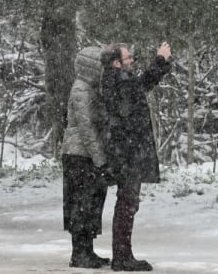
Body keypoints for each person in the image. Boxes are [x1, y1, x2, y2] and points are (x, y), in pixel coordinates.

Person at [99, 41, 173, 272]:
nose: (132, 60)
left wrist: (161, 64)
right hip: (126, 152)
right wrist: (160, 60)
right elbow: (142, 84)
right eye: (128, 57)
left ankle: (124, 253)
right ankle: (122, 257)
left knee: (128, 202)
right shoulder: (118, 81)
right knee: (127, 203)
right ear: (116, 63)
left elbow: (141, 84)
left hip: (127, 151)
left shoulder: (116, 80)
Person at [61, 46, 112, 268]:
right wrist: (100, 157)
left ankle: (86, 250)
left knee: (90, 204)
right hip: (79, 156)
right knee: (81, 204)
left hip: (85, 155)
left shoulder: (90, 88)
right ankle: (79, 252)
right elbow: (87, 128)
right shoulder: (81, 90)